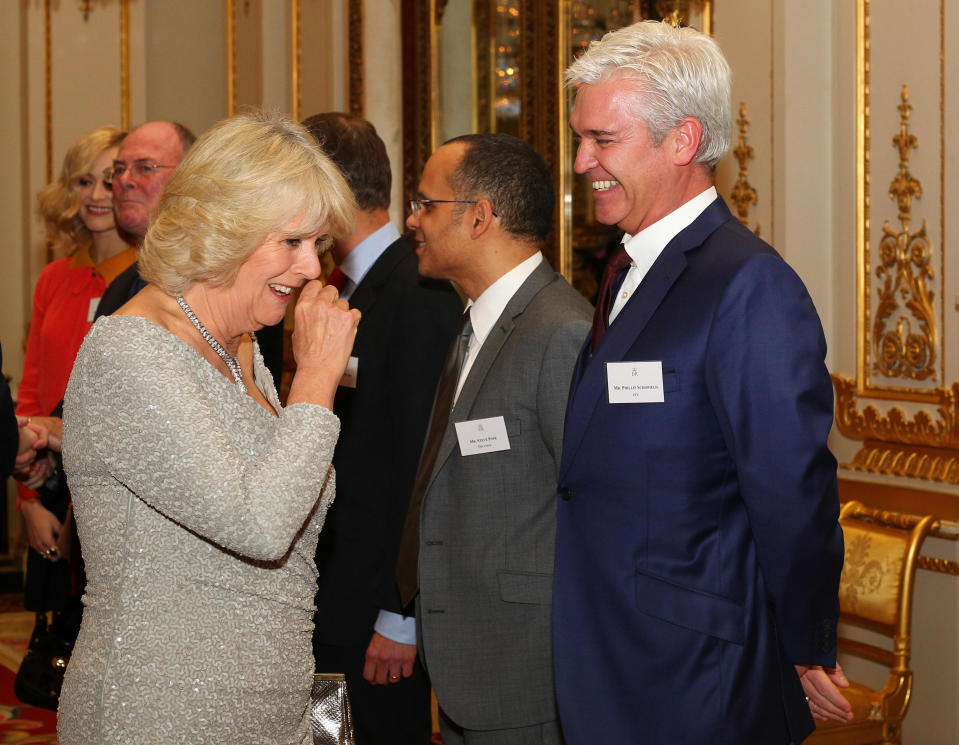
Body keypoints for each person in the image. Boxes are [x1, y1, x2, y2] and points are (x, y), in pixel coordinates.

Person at [551, 20, 851, 745]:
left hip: (692, 675)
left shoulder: (746, 284)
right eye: (579, 139)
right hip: (611, 649)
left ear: (681, 141)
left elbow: (789, 485)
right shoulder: (623, 268)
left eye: (603, 140)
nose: (582, 161)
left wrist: (805, 642)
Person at [57, 111, 359, 745]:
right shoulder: (130, 354)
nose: (311, 268)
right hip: (162, 708)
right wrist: (316, 380)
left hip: (271, 702)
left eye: (318, 245)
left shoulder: (239, 347)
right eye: (291, 242)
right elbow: (259, 526)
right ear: (224, 229)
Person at [394, 133, 592, 745]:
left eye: (425, 203)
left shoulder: (561, 332)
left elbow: (593, 516)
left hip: (526, 672)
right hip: (469, 663)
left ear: (478, 217)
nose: (412, 220)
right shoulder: (476, 322)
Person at [303, 112, 462, 745]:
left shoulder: (419, 291)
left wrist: (402, 617)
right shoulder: (347, 288)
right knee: (326, 737)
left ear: (330, 190)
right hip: (334, 597)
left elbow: (423, 468)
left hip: (377, 613)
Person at [15, 126, 136, 627]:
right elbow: (30, 389)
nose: (97, 195)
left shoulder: (147, 281)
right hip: (46, 480)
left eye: (110, 180)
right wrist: (27, 500)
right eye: (85, 182)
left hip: (111, 489)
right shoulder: (53, 278)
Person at [98, 120, 288, 387]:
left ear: (190, 179)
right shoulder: (119, 288)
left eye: (144, 168)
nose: (125, 181)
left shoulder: (236, 282)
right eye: (119, 170)